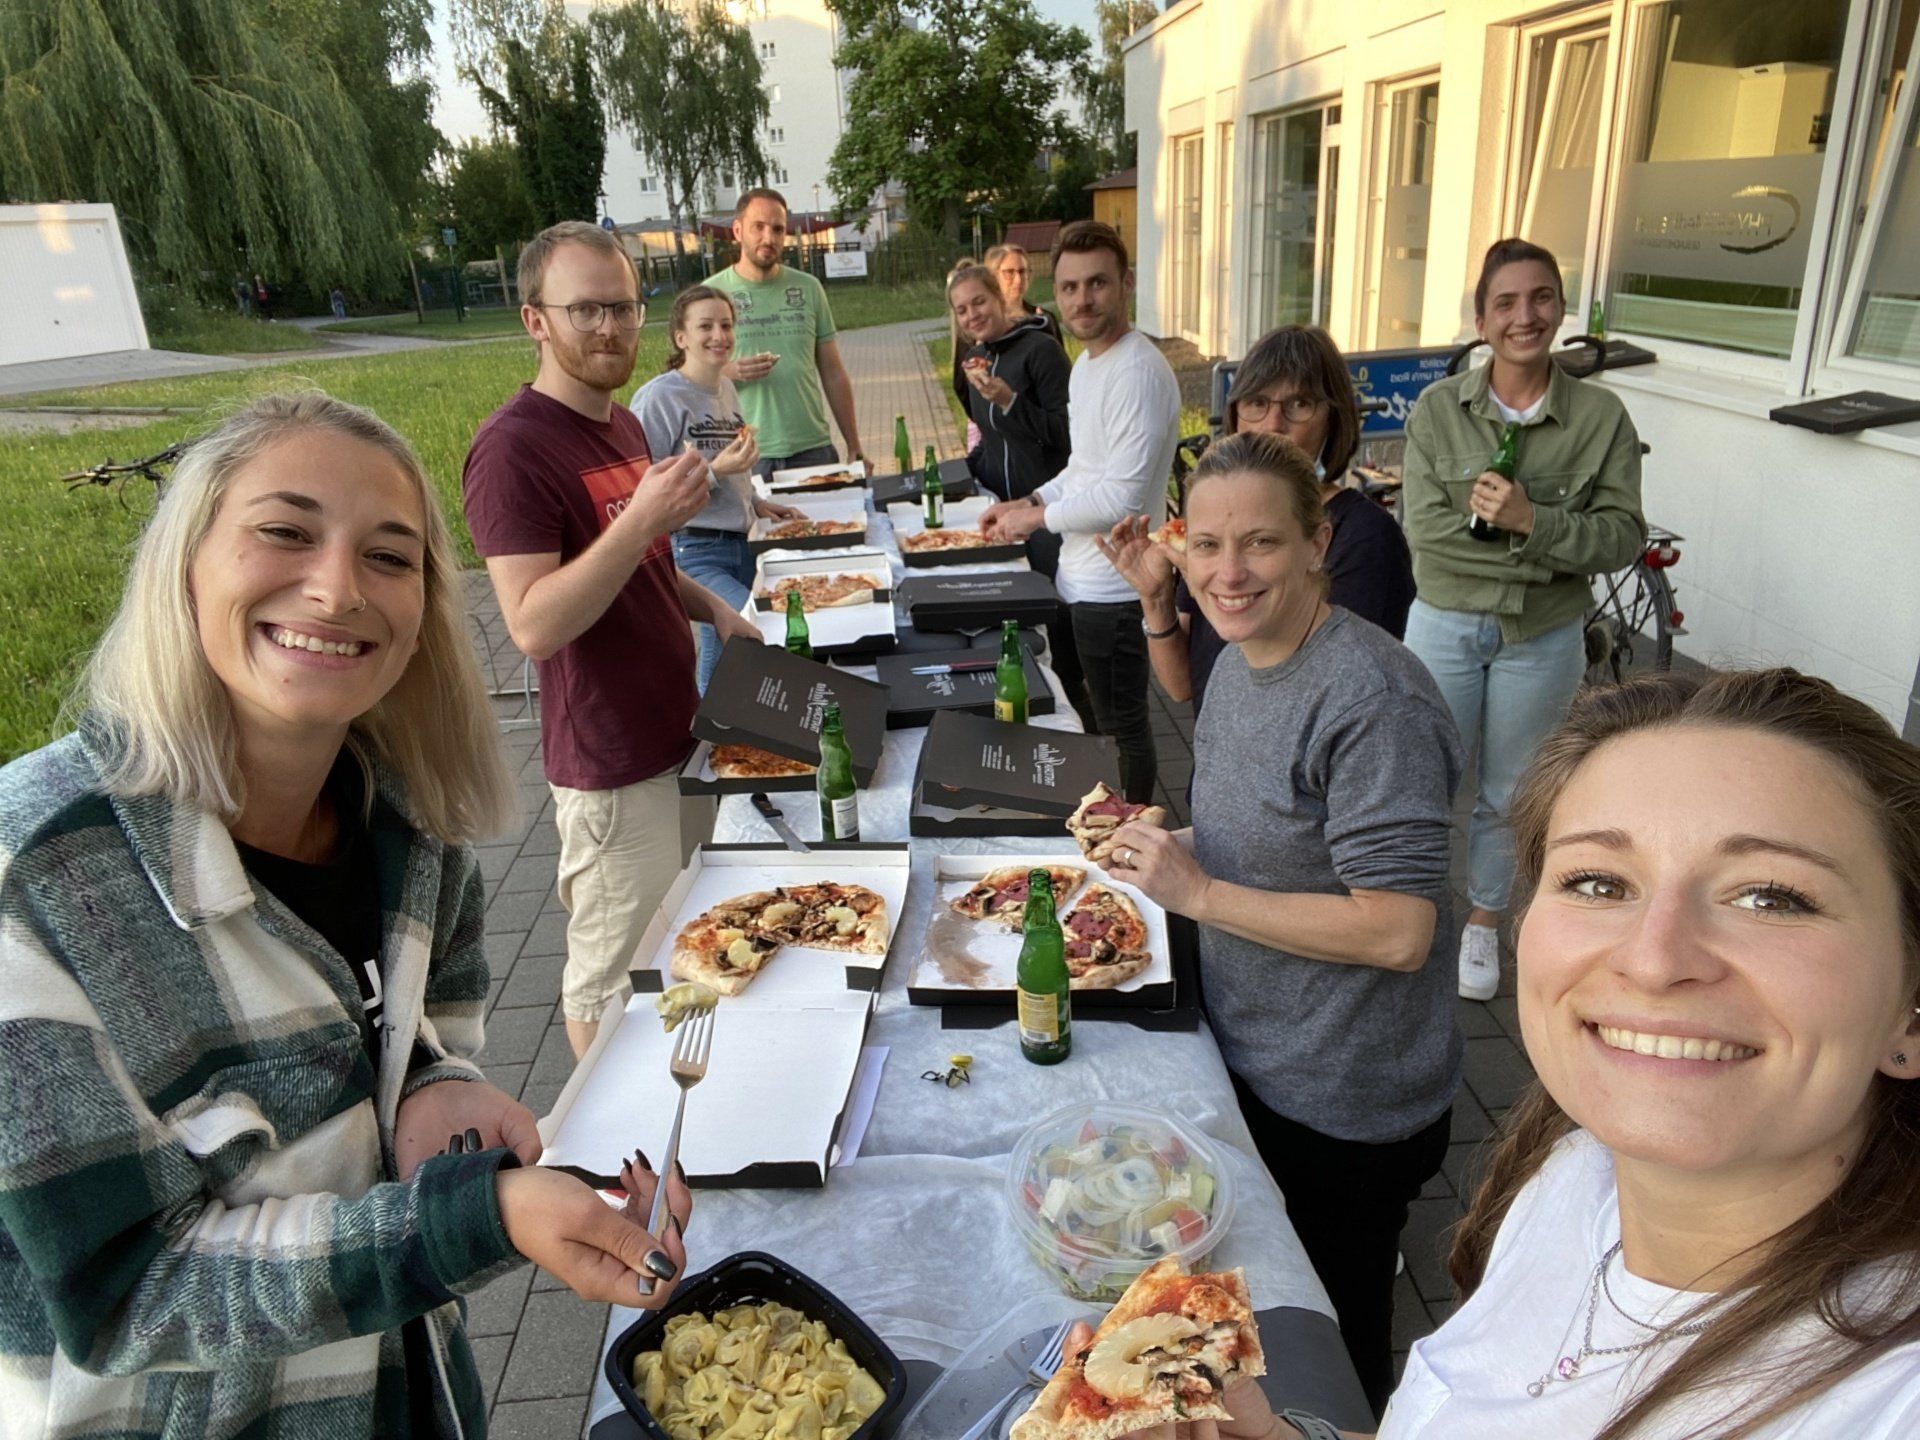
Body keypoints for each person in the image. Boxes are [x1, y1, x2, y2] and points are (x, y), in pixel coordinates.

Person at [0, 392, 692, 1438]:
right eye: (285, 532)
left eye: (389, 556)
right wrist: (470, 1220)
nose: (337, 589)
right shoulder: (38, 880)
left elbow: (418, 1044)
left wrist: (438, 1099)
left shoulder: (416, 829)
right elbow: (121, 1293)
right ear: (184, 563)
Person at [1096, 667, 1920, 1440]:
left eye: (1771, 897)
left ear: (1909, 1012)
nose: (1654, 959)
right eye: (1599, 882)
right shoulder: (1571, 1174)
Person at [1097, 431, 1465, 1417]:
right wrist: (1161, 845)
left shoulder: (1373, 700)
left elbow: (1398, 932)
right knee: (1245, 1314)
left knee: (1326, 1342)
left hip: (1343, 1100)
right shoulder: (1244, 651)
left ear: (1317, 543)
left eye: (1259, 543)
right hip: (1250, 1053)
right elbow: (1252, 811)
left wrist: (1199, 894)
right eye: (1206, 544)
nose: (1229, 571)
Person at [463, 221, 762, 1060]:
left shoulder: (623, 426)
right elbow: (533, 623)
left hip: (679, 735)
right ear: (535, 320)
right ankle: (600, 1132)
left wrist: (714, 609)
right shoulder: (512, 449)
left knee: (689, 945)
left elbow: (645, 564)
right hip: (610, 765)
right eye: (586, 309)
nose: (610, 328)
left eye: (624, 307)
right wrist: (639, 523)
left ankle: (676, 1102)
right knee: (609, 983)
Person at [1401, 237, 1645, 1004]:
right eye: (1505, 302)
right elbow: (1425, 533)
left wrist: (1533, 521)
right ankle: (1406, 909)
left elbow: (1622, 537)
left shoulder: (1600, 418)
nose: (1524, 316)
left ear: (1560, 308)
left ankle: (1482, 919)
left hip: (1541, 636)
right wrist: (1546, 555)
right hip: (1445, 622)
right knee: (1415, 776)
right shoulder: (1439, 411)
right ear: (1482, 319)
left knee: (1512, 790)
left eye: (1540, 297)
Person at [1102, 325, 1417, 719]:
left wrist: (1208, 586)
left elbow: (1334, 689)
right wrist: (1156, 598)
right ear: (1235, 416)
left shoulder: (1367, 538)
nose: (1273, 424)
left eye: (1299, 403)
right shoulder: (1219, 521)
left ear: (1334, 418)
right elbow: (1182, 685)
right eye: (1256, 402)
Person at [980, 220, 1179, 805]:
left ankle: (1132, 836)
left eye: (1097, 283)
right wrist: (1031, 501)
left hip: (1116, 590)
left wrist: (1035, 521)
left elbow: (1121, 497)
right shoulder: (1091, 364)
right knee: (1085, 716)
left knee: (1123, 728)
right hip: (1080, 580)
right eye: (1069, 287)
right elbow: (1083, 467)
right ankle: (1102, 813)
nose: (1082, 299)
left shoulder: (1137, 372)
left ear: (1126, 284)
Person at [631, 284, 802, 690]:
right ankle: (723, 720)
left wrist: (756, 501)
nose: (719, 335)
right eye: (705, 326)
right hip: (694, 549)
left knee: (721, 643)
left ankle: (711, 723)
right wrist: (715, 471)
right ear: (681, 337)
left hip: (743, 544)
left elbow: (733, 465)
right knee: (753, 626)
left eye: (726, 325)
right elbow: (644, 491)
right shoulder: (659, 398)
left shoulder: (725, 388)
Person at [946, 261, 1094, 729]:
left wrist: (1010, 400)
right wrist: (960, 479)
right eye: (962, 309)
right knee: (1023, 636)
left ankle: (1083, 730)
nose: (972, 314)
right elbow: (991, 441)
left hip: (1048, 518)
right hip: (1006, 520)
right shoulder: (976, 359)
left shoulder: (1041, 351)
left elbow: (1070, 436)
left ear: (1000, 297)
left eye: (980, 302)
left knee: (1061, 646)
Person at [706, 188, 867, 476]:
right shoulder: (711, 294)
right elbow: (688, 378)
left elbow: (833, 372)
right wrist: (729, 372)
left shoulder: (809, 288)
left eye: (778, 229)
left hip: (812, 448)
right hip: (744, 453)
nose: (769, 238)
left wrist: (854, 444)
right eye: (758, 227)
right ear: (738, 231)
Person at [950, 242, 1062, 406]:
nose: (1018, 280)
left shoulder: (1043, 323)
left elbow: (1058, 396)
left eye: (1022, 271)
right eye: (1009, 272)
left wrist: (1009, 403)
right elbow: (963, 387)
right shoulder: (977, 327)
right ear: (993, 277)